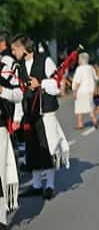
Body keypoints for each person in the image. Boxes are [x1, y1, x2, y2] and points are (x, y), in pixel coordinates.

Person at [11, 34, 70, 200]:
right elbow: (19, 93)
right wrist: (17, 118)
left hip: (45, 112)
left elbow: (56, 86)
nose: (13, 51)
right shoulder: (19, 65)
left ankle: (49, 186)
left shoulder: (45, 61)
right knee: (32, 149)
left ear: (25, 48)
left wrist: (41, 83)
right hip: (29, 112)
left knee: (48, 147)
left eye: (16, 48)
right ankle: (36, 186)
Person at [0, 31, 20, 227]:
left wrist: (2, 91)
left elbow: (18, 94)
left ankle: (1, 217)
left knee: (0, 172)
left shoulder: (5, 67)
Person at [72, 52, 98, 129]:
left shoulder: (79, 69)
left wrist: (74, 91)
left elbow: (78, 81)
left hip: (81, 91)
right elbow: (95, 79)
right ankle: (94, 120)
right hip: (90, 90)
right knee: (90, 107)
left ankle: (80, 124)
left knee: (80, 109)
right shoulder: (91, 68)